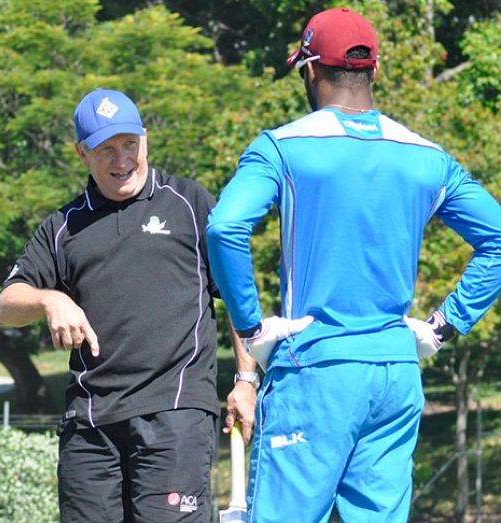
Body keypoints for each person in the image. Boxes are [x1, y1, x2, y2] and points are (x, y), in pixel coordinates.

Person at [207, 7, 501, 523]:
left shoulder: (281, 147)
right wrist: (441, 326)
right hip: (396, 376)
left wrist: (253, 330)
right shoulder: (428, 157)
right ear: (375, 71)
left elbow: (225, 228)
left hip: (315, 370)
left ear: (310, 70)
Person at [0, 88, 244, 522]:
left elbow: (237, 295)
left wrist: (245, 381)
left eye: (130, 144)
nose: (122, 159)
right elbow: (5, 306)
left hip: (175, 413)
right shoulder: (64, 226)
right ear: (81, 154)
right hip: (90, 425)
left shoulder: (188, 203)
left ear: (145, 138)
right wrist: (49, 298)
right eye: (106, 149)